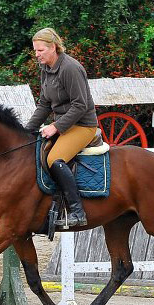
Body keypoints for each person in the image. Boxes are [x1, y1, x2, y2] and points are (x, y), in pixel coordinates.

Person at [26, 28, 98, 227]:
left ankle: (77, 211)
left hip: (83, 125)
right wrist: (26, 131)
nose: (37, 55)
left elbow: (80, 105)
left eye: (40, 50)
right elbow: (44, 105)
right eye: (35, 51)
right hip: (65, 124)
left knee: (54, 159)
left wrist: (56, 126)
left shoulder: (70, 68)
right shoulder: (46, 70)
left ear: (54, 47)